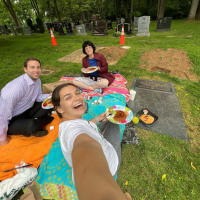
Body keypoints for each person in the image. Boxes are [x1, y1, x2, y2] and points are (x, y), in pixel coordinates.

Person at [52, 83, 132, 200]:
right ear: (59, 108)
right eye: (68, 97)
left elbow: (84, 125)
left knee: (109, 116)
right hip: (110, 163)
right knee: (114, 121)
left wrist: (98, 118)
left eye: (77, 92)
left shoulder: (68, 123)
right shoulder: (73, 134)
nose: (77, 97)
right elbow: (84, 148)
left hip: (97, 144)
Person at [0, 58, 54, 146]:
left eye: (38, 67)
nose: (36, 70)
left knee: (50, 103)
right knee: (31, 126)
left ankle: (37, 122)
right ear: (25, 69)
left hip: (26, 110)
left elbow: (37, 97)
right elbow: (2, 116)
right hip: (11, 119)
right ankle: (34, 125)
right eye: (32, 67)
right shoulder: (15, 89)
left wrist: (50, 96)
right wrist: (2, 139)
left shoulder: (37, 80)